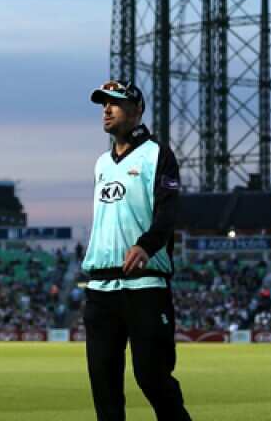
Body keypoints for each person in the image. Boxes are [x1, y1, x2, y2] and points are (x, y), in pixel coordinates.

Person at [82, 80, 192, 421]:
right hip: (100, 288)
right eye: (103, 104)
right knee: (104, 386)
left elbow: (168, 211)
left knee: (152, 377)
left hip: (145, 285)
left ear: (136, 110)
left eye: (114, 103)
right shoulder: (101, 163)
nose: (107, 110)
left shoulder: (158, 154)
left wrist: (146, 245)